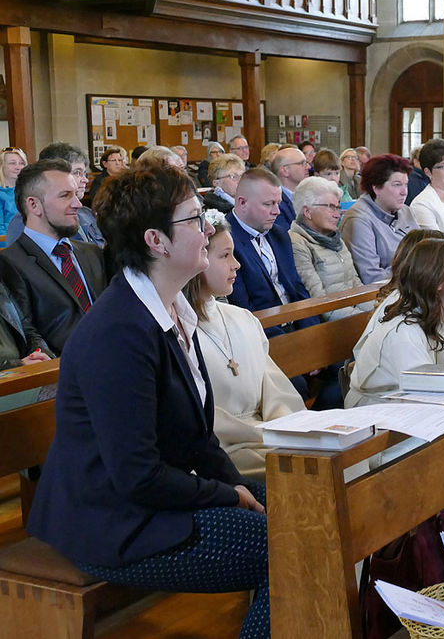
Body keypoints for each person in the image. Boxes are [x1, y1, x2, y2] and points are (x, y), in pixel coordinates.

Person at [25, 162, 270, 638]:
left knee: (302, 512)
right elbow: (137, 476)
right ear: (156, 241)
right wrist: (226, 495)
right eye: (196, 219)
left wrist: (238, 487)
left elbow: (199, 440)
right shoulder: (119, 332)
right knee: (286, 548)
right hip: (112, 520)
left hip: (149, 500)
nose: (208, 229)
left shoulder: (174, 307)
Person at [345, 237, 444, 543]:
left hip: (411, 412)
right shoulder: (404, 329)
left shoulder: (442, 316)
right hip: (379, 420)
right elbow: (425, 391)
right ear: (438, 281)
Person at [184, 211, 305, 481]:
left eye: (234, 254)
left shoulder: (243, 319)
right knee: (301, 474)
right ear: (197, 260)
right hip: (225, 452)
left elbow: (276, 390)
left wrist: (284, 431)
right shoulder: (179, 332)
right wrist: (262, 435)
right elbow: (202, 417)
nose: (236, 264)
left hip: (269, 437)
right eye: (224, 256)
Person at [1, 159, 108, 355]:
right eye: (65, 196)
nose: (77, 204)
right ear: (34, 205)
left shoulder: (91, 253)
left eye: (76, 194)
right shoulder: (9, 262)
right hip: (61, 370)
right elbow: (27, 333)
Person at [226, 168, 319, 338]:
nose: (277, 211)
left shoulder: (279, 234)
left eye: (278, 203)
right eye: (268, 204)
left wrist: (311, 333)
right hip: (261, 335)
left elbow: (298, 289)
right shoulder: (226, 241)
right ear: (242, 202)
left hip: (295, 326)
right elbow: (241, 308)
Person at [289, 176, 372, 321]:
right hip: (330, 325)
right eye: (331, 207)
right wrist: (368, 319)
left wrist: (380, 311)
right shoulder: (297, 243)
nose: (337, 214)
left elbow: (356, 285)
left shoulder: (336, 238)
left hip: (354, 315)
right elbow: (319, 303)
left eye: (338, 207)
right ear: (307, 212)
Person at [339, 153, 419, 285]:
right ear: (376, 187)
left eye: (406, 185)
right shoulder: (358, 219)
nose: (404, 192)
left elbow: (426, 255)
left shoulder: (406, 211)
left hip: (412, 287)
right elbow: (371, 277)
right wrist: (415, 271)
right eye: (397, 185)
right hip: (382, 296)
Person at [7, 143, 105, 247]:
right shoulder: (28, 220)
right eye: (77, 172)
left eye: (84, 173)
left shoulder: (86, 214)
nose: (85, 180)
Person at [271, 146, 310, 230]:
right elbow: (285, 237)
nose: (308, 167)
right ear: (285, 170)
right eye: (303, 163)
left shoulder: (307, 195)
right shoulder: (275, 203)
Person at [0, 147, 26, 235]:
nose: (18, 167)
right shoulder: (1, 195)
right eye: (12, 163)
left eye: (21, 163)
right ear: (1, 166)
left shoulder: (31, 191)